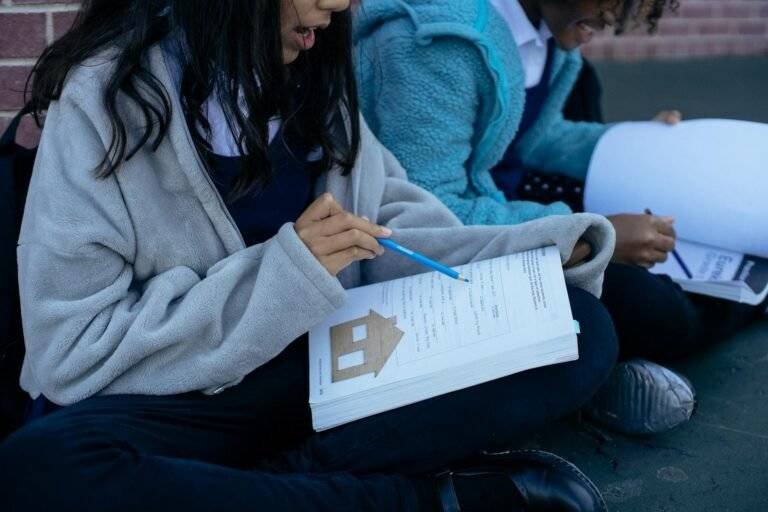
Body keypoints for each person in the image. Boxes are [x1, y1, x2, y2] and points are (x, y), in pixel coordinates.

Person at [0, 1, 621, 510]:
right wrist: (284, 272)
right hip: (180, 402)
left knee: (579, 325)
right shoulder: (108, 99)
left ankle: (268, 487)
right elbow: (71, 348)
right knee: (40, 466)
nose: (340, 4)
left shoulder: (315, 77)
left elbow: (392, 230)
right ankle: (416, 499)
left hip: (322, 375)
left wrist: (530, 255)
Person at [354, 0, 767, 435]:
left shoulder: (553, 32)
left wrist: (638, 144)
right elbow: (429, 215)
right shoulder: (438, 45)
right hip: (437, 246)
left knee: (681, 228)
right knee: (649, 306)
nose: (616, 20)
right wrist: (591, 236)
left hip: (501, 201)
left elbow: (535, 139)